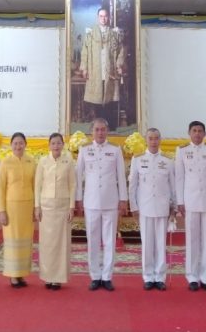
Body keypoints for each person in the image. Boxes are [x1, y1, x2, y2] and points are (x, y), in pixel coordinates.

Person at [75, 118, 128, 291]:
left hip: (110, 201)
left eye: (103, 129)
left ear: (107, 131)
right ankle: (95, 276)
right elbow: (78, 176)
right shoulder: (84, 150)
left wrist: (123, 199)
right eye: (97, 129)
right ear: (92, 131)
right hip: (91, 202)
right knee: (92, 240)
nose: (100, 132)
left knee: (109, 240)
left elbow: (121, 176)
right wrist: (78, 199)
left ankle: (107, 276)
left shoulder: (115, 149)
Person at [175, 120, 206, 291]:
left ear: (205, 133)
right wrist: (180, 201)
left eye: (200, 131)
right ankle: (192, 276)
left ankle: (205, 275)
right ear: (189, 133)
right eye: (194, 130)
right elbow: (179, 177)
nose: (197, 133)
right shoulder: (181, 151)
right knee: (192, 239)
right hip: (190, 201)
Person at [128, 127, 175, 290]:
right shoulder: (138, 159)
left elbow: (173, 186)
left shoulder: (168, 160)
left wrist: (174, 207)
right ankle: (148, 276)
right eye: (151, 138)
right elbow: (133, 185)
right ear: (146, 140)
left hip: (162, 207)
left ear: (160, 140)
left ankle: (160, 277)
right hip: (145, 207)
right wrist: (133, 206)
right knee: (147, 244)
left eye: (156, 138)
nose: (154, 142)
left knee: (161, 243)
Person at [35, 132, 76, 290]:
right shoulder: (43, 161)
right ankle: (47, 276)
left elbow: (72, 185)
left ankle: (58, 278)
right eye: (53, 143)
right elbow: (37, 185)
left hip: (63, 206)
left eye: (59, 143)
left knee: (61, 243)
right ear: (49, 145)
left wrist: (71, 207)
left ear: (63, 145)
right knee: (47, 244)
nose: (56, 146)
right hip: (46, 207)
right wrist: (37, 206)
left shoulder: (68, 160)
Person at [0, 132, 37, 288]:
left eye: (21, 143)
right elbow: (0, 188)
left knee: (26, 241)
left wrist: (36, 208)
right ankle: (13, 275)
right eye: (15, 143)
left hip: (27, 207)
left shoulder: (31, 161)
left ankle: (21, 274)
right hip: (11, 208)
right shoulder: (5, 162)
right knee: (12, 240)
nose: (18, 146)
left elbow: (36, 186)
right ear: (11, 145)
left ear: (25, 144)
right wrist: (1, 210)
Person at [80, 7, 123, 126]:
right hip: (95, 70)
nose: (103, 19)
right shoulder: (90, 34)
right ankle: (98, 126)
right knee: (97, 99)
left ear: (109, 17)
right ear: (97, 17)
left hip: (110, 70)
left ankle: (110, 126)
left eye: (105, 16)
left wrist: (119, 65)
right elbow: (84, 52)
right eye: (101, 16)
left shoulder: (114, 33)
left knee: (109, 99)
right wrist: (84, 68)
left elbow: (121, 51)